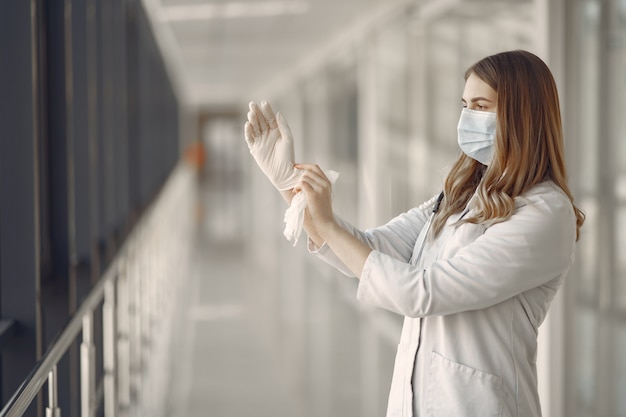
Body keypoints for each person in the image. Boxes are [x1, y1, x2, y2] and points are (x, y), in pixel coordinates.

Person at [244, 50, 585, 417]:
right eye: (465, 104)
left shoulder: (545, 214)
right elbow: (370, 250)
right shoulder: (459, 195)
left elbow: (422, 292)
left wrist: (326, 222)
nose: (467, 117)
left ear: (522, 115)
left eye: (481, 106)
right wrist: (288, 184)